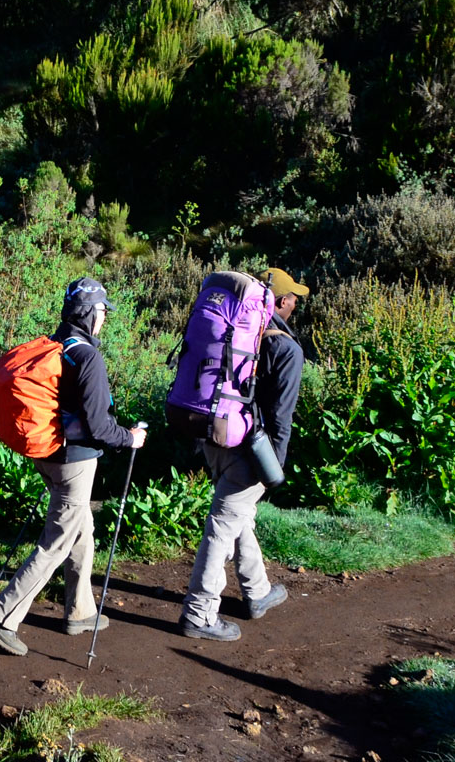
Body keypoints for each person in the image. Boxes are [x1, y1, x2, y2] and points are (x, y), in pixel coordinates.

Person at [0, 277, 146, 656]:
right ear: (89, 313)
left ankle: (80, 611)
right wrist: (130, 438)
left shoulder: (53, 347)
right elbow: (100, 427)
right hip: (76, 462)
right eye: (102, 311)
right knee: (57, 542)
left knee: (81, 528)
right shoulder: (87, 357)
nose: (104, 318)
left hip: (47, 456)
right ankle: (1, 616)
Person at [178, 268, 308, 641]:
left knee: (238, 515)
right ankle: (199, 613)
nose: (296, 304)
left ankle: (257, 592)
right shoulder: (286, 348)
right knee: (223, 525)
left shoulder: (238, 334)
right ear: (280, 303)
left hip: (214, 435)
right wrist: (274, 468)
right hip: (252, 449)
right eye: (293, 298)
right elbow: (280, 414)